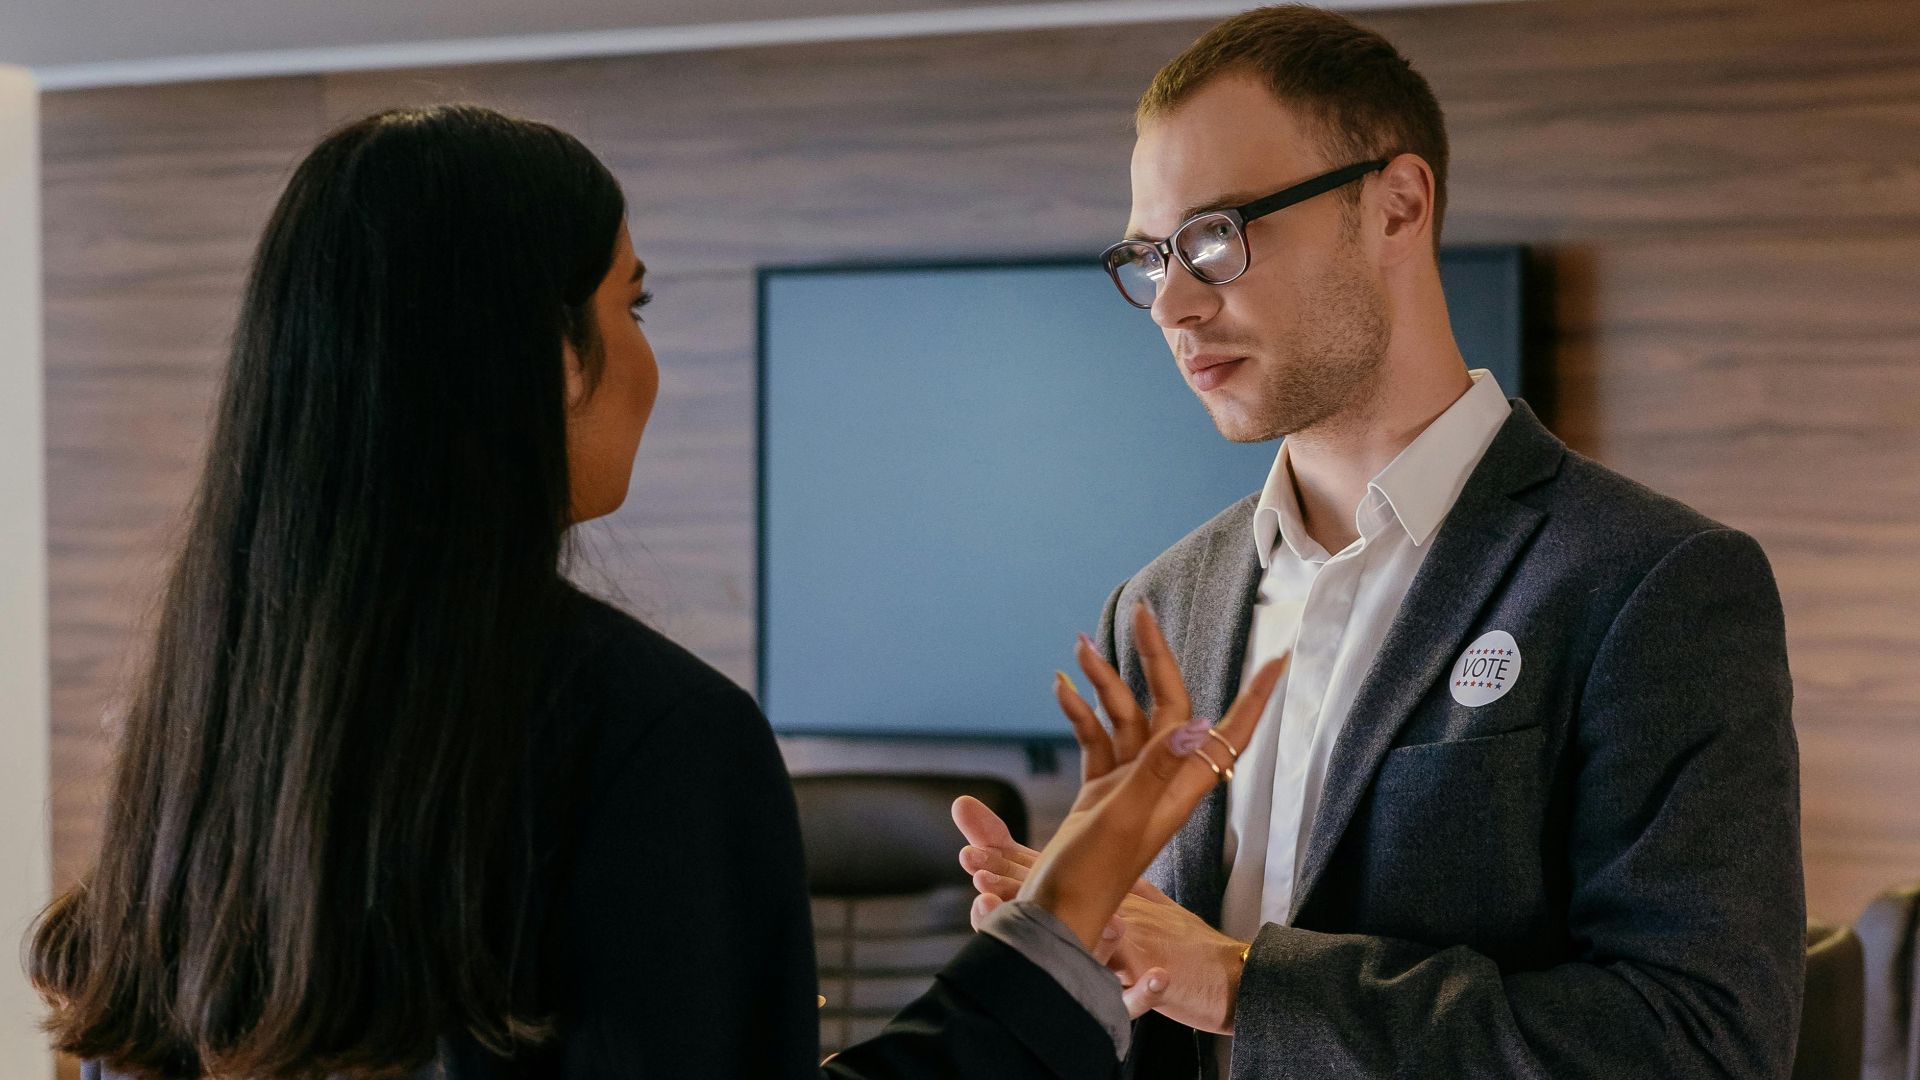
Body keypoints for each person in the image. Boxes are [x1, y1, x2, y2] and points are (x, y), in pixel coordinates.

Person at [24, 104, 1289, 1080]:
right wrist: (1065, 913)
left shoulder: (192, 722)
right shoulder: (650, 736)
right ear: (540, 359)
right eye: (629, 306)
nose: (651, 365)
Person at [955, 7, 1804, 1078]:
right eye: (1150, 253)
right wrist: (1060, 975)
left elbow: (1702, 1044)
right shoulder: (1161, 607)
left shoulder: (1652, 585)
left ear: (1396, 206)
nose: (1170, 300)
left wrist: (1242, 981)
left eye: (1216, 235)